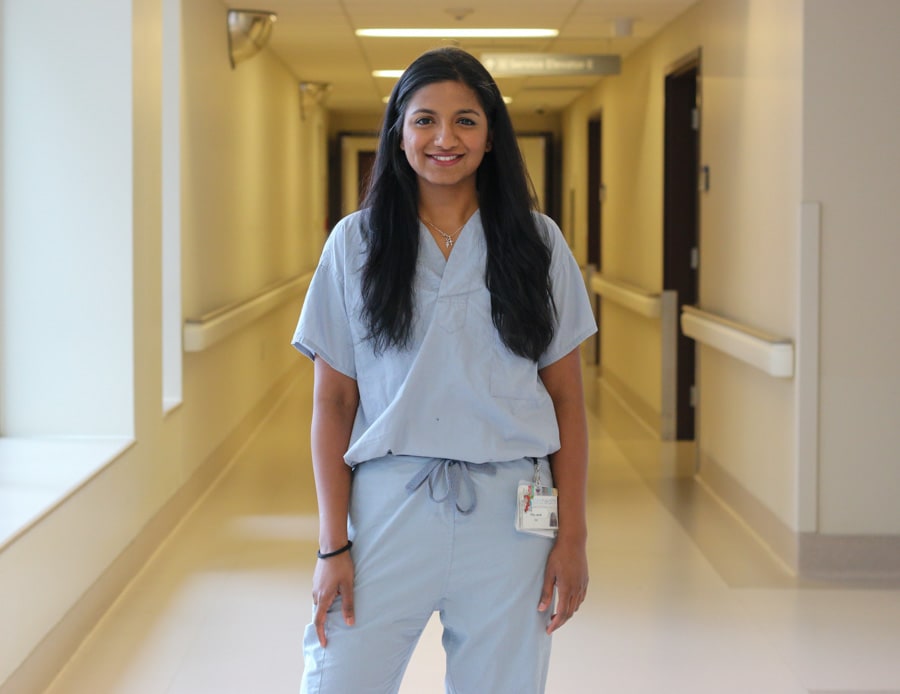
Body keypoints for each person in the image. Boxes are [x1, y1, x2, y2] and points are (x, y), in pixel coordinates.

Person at [291, 46, 597, 694]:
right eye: (425, 119)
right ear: (399, 133)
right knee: (336, 679)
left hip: (512, 514)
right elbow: (334, 405)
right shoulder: (356, 243)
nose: (444, 138)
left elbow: (567, 399)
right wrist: (330, 544)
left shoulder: (538, 245)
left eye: (465, 121)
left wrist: (573, 537)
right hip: (387, 505)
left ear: (490, 137)